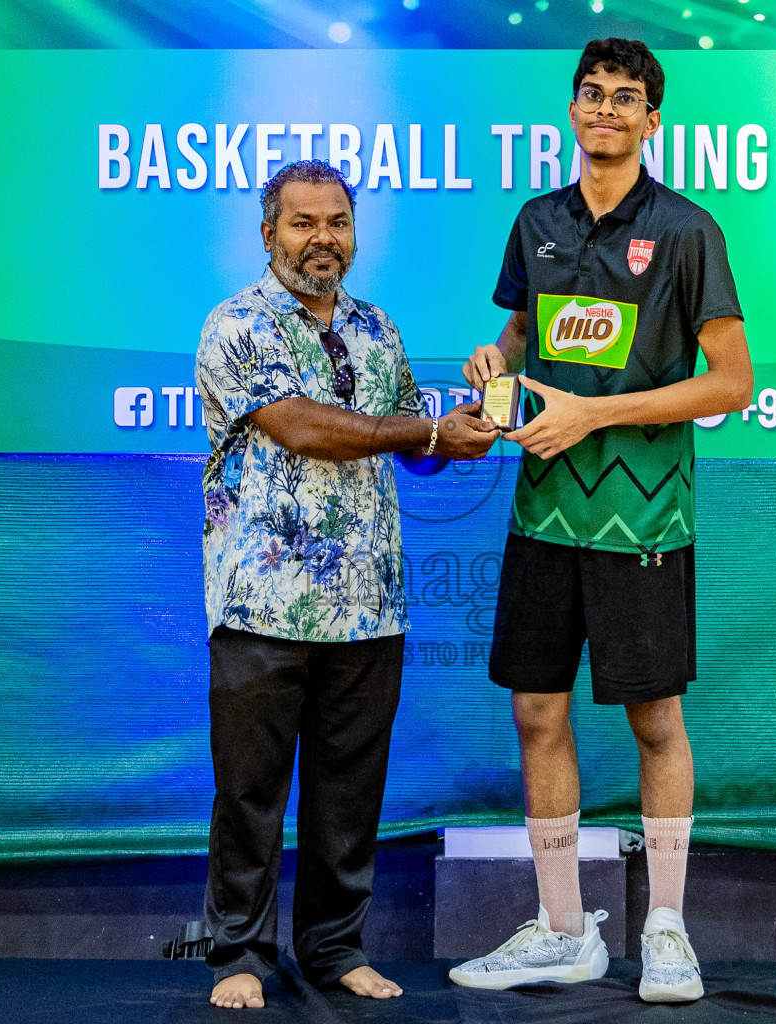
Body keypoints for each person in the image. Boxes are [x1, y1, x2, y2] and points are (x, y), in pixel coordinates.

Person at [448, 39, 754, 1003]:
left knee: (653, 718)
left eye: (628, 99)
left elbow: (732, 381)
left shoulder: (687, 231)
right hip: (542, 517)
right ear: (572, 111)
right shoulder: (536, 221)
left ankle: (664, 927)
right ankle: (562, 930)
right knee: (537, 710)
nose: (607, 110)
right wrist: (494, 364)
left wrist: (596, 413)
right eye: (592, 95)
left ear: (652, 120)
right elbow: (523, 334)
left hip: (643, 520)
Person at [196, 160, 499, 1010]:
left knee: (348, 797)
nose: (322, 238)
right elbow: (304, 429)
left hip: (369, 608)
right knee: (250, 795)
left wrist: (459, 431)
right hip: (262, 604)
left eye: (337, 221)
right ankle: (239, 957)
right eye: (302, 223)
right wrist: (424, 426)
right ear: (269, 234)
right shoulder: (236, 325)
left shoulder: (377, 327)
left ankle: (333, 949)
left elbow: (405, 443)